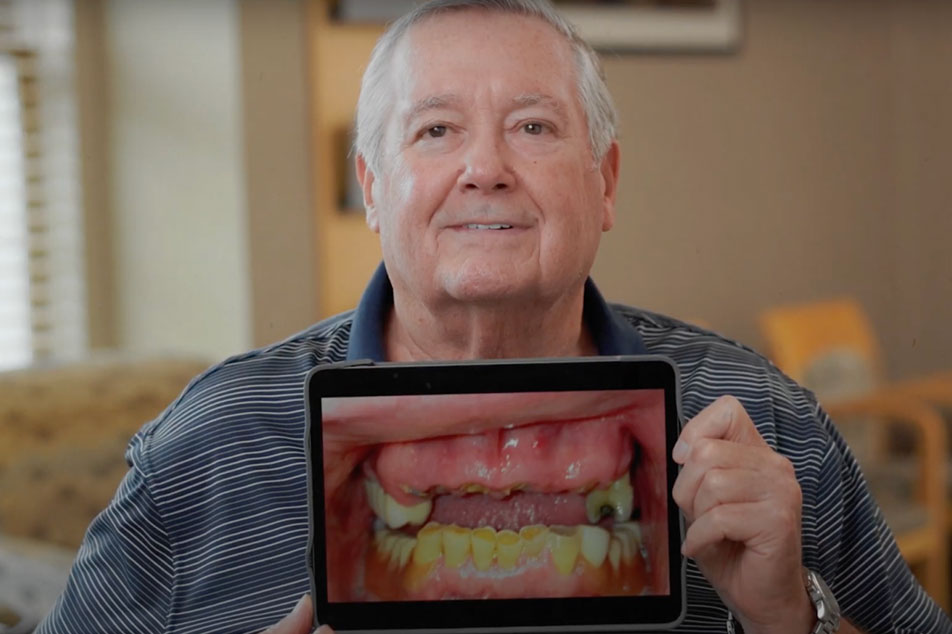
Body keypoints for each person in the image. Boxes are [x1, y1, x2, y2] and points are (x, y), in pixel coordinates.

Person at [37, 1, 950, 633]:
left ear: (606, 183)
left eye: (534, 127)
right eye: (435, 130)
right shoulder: (207, 446)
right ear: (372, 188)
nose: (486, 169)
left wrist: (791, 615)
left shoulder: (768, 424)